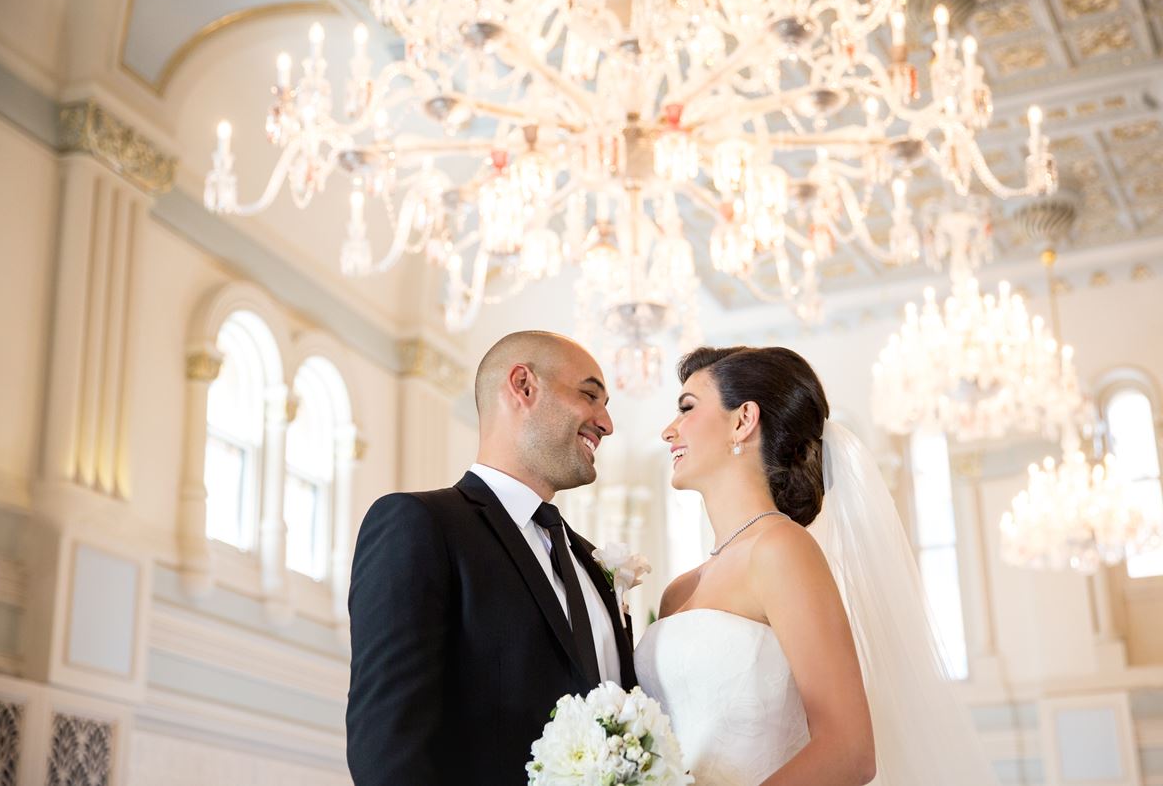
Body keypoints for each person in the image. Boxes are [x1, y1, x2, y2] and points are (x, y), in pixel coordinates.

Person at [635, 346, 998, 786]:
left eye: (687, 408)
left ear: (742, 420)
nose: (668, 432)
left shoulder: (780, 549)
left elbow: (850, 751)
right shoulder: (677, 591)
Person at [346, 330, 636, 786]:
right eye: (589, 395)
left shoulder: (588, 559)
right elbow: (389, 747)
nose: (606, 423)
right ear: (523, 386)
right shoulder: (421, 524)